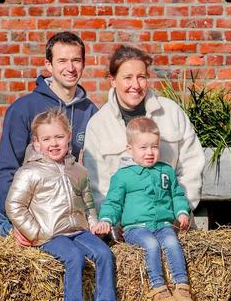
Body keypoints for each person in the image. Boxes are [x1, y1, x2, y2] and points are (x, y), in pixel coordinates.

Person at [6, 109, 119, 301]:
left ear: (69, 137)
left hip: (78, 230)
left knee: (105, 253)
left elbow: (88, 203)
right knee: (74, 258)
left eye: (58, 137)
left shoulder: (78, 170)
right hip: (51, 235)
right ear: (36, 144)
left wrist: (94, 224)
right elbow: (14, 205)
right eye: (46, 139)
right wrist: (35, 233)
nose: (54, 144)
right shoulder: (29, 172)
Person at [0, 32, 98, 240]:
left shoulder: (91, 112)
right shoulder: (23, 108)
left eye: (76, 60)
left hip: (64, 226)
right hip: (22, 222)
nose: (70, 68)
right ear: (48, 65)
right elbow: (6, 170)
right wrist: (19, 224)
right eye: (62, 61)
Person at [83, 45, 204, 212]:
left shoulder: (171, 112)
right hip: (124, 227)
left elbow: (191, 165)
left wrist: (181, 210)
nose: (135, 85)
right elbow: (98, 185)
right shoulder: (98, 125)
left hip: (171, 220)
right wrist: (115, 224)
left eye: (141, 77)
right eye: (127, 78)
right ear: (112, 80)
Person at [96, 117, 193, 301]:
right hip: (136, 228)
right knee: (151, 244)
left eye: (154, 147)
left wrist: (182, 211)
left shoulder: (166, 171)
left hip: (163, 225)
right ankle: (158, 288)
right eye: (143, 148)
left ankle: (182, 286)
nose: (150, 152)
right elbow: (113, 202)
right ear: (129, 149)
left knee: (173, 242)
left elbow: (177, 195)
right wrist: (106, 219)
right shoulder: (123, 176)